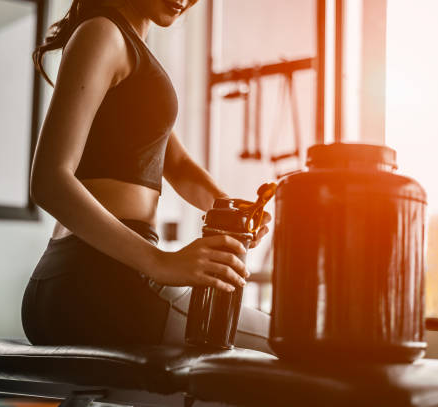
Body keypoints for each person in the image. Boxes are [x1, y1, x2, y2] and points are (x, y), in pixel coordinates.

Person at [20, 0, 272, 352]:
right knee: (291, 343)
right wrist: (160, 263)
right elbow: (49, 182)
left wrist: (237, 210)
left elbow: (180, 166)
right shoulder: (103, 33)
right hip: (99, 284)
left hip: (80, 285)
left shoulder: (132, 48)